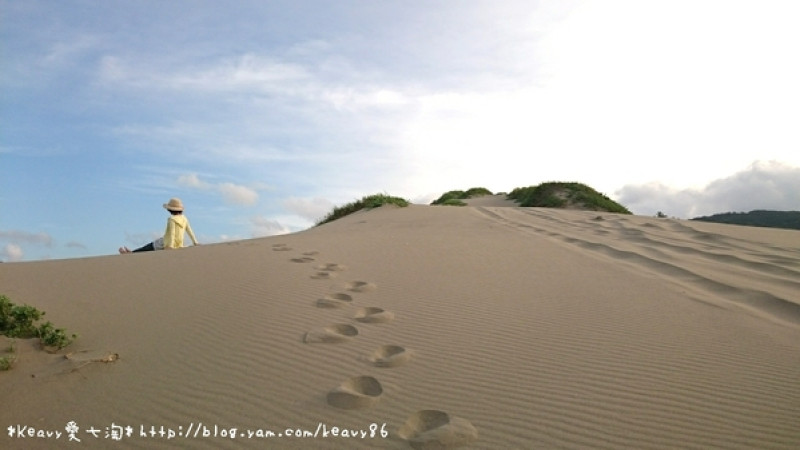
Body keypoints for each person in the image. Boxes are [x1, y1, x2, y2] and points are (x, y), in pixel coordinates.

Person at [119, 198, 200, 253]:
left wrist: (170, 246)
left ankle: (131, 253)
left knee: (149, 247)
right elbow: (190, 231)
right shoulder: (184, 219)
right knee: (148, 248)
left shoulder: (172, 219)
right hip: (179, 244)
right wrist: (195, 242)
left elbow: (172, 233)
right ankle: (131, 252)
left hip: (165, 243)